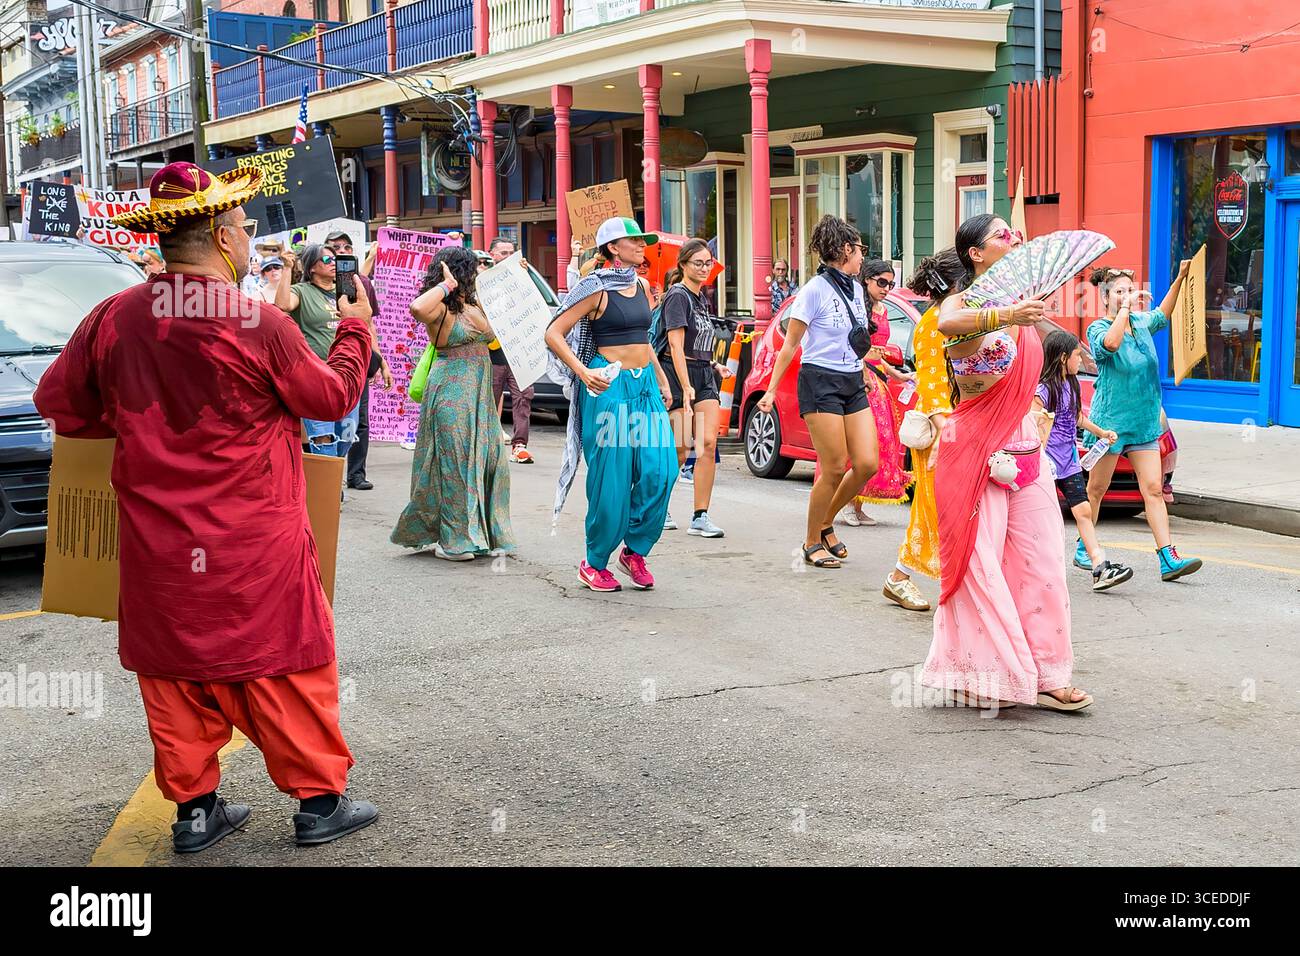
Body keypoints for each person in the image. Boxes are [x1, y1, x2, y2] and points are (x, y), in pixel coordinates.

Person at [34, 161, 378, 851]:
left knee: (174, 669)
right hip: (253, 540)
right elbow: (332, 399)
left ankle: (195, 812)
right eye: (246, 230)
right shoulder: (255, 324)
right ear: (223, 238)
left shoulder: (113, 317)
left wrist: (137, 425)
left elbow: (60, 404)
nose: (250, 241)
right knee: (281, 662)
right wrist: (354, 333)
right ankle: (318, 802)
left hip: (159, 544)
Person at [922, 213, 1091, 712]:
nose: (1013, 239)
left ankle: (1048, 672)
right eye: (1001, 235)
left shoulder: (1026, 308)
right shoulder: (963, 302)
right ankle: (981, 672)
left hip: (1025, 449)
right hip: (975, 448)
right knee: (981, 565)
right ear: (975, 253)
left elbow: (1075, 349)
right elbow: (947, 324)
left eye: (1013, 233)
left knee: (1043, 563)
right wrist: (1008, 316)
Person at [545, 216, 676, 592]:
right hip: (608, 386)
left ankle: (634, 550)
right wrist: (584, 372)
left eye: (641, 240)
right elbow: (553, 332)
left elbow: (643, 338)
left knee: (661, 469)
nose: (641, 245)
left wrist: (661, 378)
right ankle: (594, 561)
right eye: (632, 240)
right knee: (612, 481)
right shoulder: (595, 287)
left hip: (646, 386)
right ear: (612, 248)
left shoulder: (642, 284)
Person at [756, 215, 877, 570]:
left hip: (852, 379)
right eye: (859, 250)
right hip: (820, 380)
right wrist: (772, 389)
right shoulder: (812, 291)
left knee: (868, 463)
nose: (861, 257)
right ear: (844, 250)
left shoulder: (856, 289)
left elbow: (853, 339)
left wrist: (865, 369)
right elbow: (790, 344)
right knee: (836, 466)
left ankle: (826, 521)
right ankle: (812, 540)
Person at [392, 246, 515, 560]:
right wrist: (446, 285)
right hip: (450, 390)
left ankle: (484, 534)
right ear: (457, 272)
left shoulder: (472, 302)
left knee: (490, 460)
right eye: (470, 269)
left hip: (478, 392)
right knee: (456, 464)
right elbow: (417, 308)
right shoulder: (440, 307)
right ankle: (454, 539)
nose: (474, 274)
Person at [1082, 263, 1202, 582]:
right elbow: (1110, 345)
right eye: (1119, 292)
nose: (1126, 296)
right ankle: (1085, 546)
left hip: (1144, 422)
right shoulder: (1097, 328)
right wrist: (1123, 310)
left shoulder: (1141, 322)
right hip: (1110, 424)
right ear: (1106, 296)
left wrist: (1177, 279)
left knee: (1152, 489)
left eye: (1128, 291)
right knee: (1096, 489)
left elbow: (1163, 313)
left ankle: (1167, 559)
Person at [882, 249, 965, 613]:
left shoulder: (954, 317)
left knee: (939, 511)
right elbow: (933, 387)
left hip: (958, 427)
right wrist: (947, 434)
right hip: (943, 431)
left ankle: (907, 579)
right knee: (936, 512)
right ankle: (902, 579)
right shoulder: (934, 323)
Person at [1034, 330, 1133, 591]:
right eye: (1078, 356)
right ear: (1063, 357)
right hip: (1045, 463)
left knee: (1083, 510)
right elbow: (1034, 422)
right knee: (1042, 518)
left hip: (1069, 462)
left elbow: (1076, 417)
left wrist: (1101, 433)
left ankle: (1099, 566)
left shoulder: (1071, 384)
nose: (1081, 361)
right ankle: (1034, 568)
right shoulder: (1043, 389)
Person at [658, 237, 732, 537]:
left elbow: (698, 342)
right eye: (698, 263)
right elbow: (675, 345)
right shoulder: (678, 295)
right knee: (679, 448)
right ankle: (657, 508)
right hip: (678, 375)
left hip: (703, 373)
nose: (704, 268)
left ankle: (700, 515)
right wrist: (685, 387)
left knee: (707, 445)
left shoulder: (702, 297)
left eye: (708, 263)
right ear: (684, 265)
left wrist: (714, 365)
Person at [273, 243, 367, 465]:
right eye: (326, 260)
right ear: (311, 267)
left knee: (347, 434)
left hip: (347, 376)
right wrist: (286, 268)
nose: (333, 263)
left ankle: (331, 477)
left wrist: (378, 360)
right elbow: (282, 305)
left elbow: (366, 322)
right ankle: (329, 485)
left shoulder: (345, 292)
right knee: (322, 437)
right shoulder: (302, 291)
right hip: (317, 378)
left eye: (335, 259)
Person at [839, 258, 914, 526]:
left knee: (878, 443)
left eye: (891, 284)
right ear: (867, 279)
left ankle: (858, 504)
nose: (886, 288)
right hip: (859, 379)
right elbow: (852, 348)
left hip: (878, 380)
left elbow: (880, 355)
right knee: (859, 442)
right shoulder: (858, 306)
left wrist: (897, 374)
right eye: (882, 282)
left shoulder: (882, 309)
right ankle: (847, 502)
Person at [324, 230, 392, 491]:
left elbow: (370, 325)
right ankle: (328, 479)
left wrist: (380, 362)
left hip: (358, 359)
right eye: (334, 248)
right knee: (327, 421)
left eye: (346, 246)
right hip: (325, 360)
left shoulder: (362, 283)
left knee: (358, 420)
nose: (341, 251)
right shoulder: (309, 285)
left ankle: (356, 474)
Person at [485, 236, 536, 464]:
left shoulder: (522, 279)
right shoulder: (483, 281)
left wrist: (524, 277)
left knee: (523, 399)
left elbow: (533, 307)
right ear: (492, 254)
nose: (507, 257)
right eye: (502, 253)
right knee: (488, 400)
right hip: (493, 355)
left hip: (520, 354)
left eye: (511, 253)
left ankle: (519, 445)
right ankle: (486, 445)